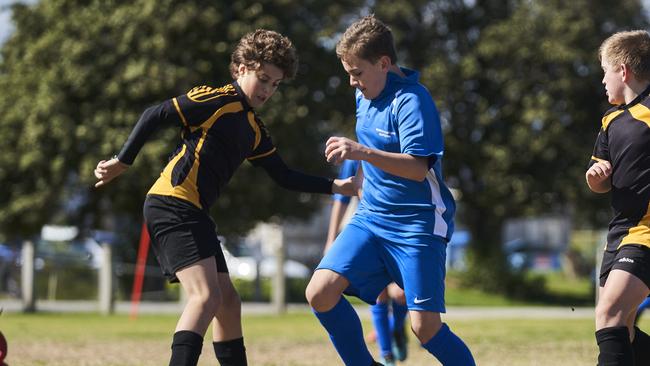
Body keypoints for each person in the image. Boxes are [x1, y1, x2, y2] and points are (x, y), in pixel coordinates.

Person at [93, 29, 355, 366]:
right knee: (206, 297)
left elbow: (284, 175)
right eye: (263, 79)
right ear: (242, 67)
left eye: (275, 84)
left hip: (193, 212)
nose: (268, 90)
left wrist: (337, 186)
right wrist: (122, 161)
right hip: (171, 203)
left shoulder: (254, 128)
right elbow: (155, 114)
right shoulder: (217, 100)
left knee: (228, 302)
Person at [305, 15, 475, 366]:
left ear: (384, 63)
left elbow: (416, 168)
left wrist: (360, 152)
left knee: (424, 328)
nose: (352, 82)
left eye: (357, 73)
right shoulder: (365, 95)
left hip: (418, 224)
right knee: (319, 292)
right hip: (371, 218)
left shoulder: (414, 101)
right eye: (348, 73)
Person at [587, 30, 650, 366]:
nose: (602, 80)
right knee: (621, 327)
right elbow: (597, 179)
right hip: (619, 233)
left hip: (646, 232)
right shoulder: (610, 121)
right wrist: (596, 178)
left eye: (604, 71)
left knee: (609, 315)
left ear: (623, 70)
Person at [324, 159, 409, 366]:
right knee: (379, 295)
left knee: (400, 294)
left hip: (400, 231)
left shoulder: (398, 149)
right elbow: (341, 198)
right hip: (369, 231)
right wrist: (331, 238)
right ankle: (386, 354)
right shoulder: (354, 155)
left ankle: (396, 329)